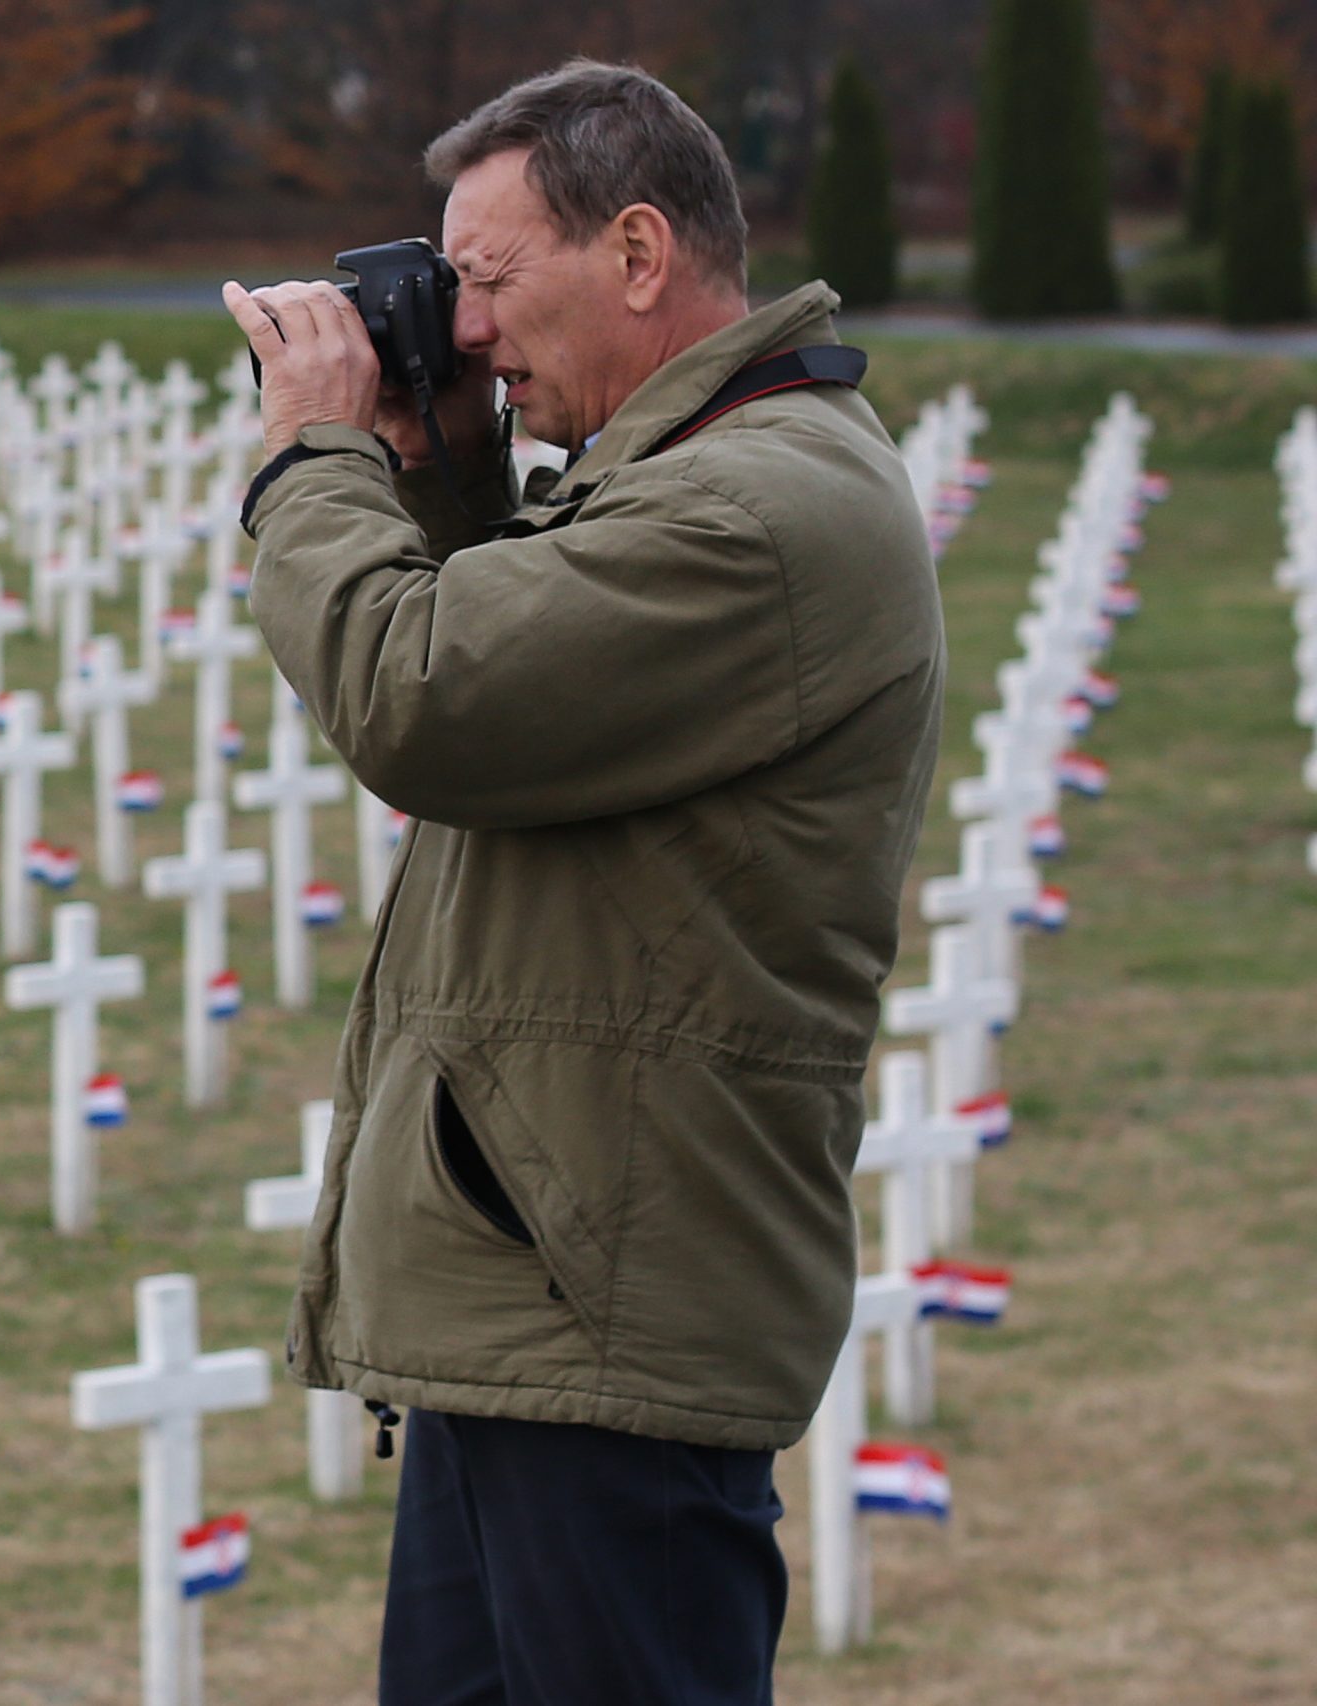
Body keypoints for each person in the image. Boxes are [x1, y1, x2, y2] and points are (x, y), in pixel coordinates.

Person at [220, 59, 945, 1706]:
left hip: (609, 1300)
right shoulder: (697, 472)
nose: (461, 327)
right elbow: (532, 688)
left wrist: (312, 463)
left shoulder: (760, 509)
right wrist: (440, 462)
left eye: (483, 280)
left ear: (635, 254)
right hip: (548, 1281)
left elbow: (422, 697)